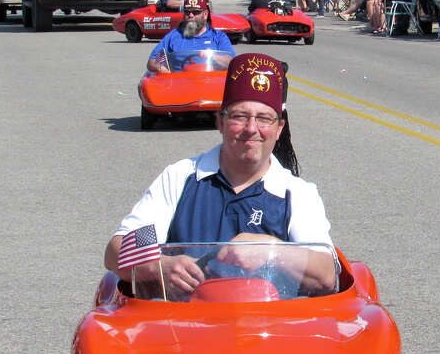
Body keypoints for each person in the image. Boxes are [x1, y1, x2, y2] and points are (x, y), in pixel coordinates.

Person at [105, 52, 337, 295]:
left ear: (279, 129)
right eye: (239, 116)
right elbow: (116, 251)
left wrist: (272, 250)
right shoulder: (180, 179)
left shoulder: (296, 194)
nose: (251, 129)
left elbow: (326, 274)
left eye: (264, 119)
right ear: (220, 123)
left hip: (271, 328)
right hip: (182, 326)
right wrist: (159, 266)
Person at [146, 0, 233, 73]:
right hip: (179, 83)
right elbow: (153, 61)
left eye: (195, 12)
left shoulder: (218, 37)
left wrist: (212, 56)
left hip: (210, 83)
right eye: (187, 12)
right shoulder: (174, 36)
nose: (191, 15)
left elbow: (231, 63)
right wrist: (161, 68)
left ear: (205, 14)